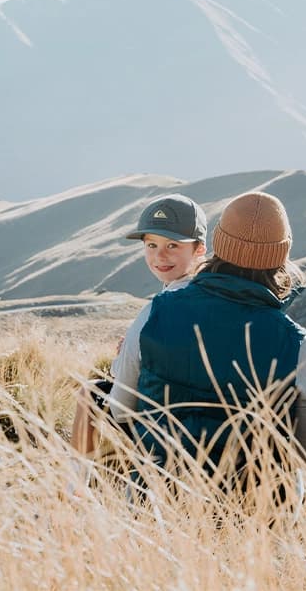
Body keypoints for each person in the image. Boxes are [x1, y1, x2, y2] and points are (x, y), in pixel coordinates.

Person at [111, 191, 306, 486]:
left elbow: (120, 409)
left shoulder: (155, 314)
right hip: (259, 521)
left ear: (216, 245)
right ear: (281, 256)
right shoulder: (297, 346)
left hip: (157, 507)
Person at [71, 193, 207, 460]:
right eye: (152, 245)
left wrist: (120, 361)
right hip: (219, 429)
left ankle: (74, 491)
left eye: (172, 246)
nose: (160, 256)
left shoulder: (154, 312)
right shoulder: (217, 293)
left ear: (199, 248)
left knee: (91, 392)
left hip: (167, 435)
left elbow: (122, 409)